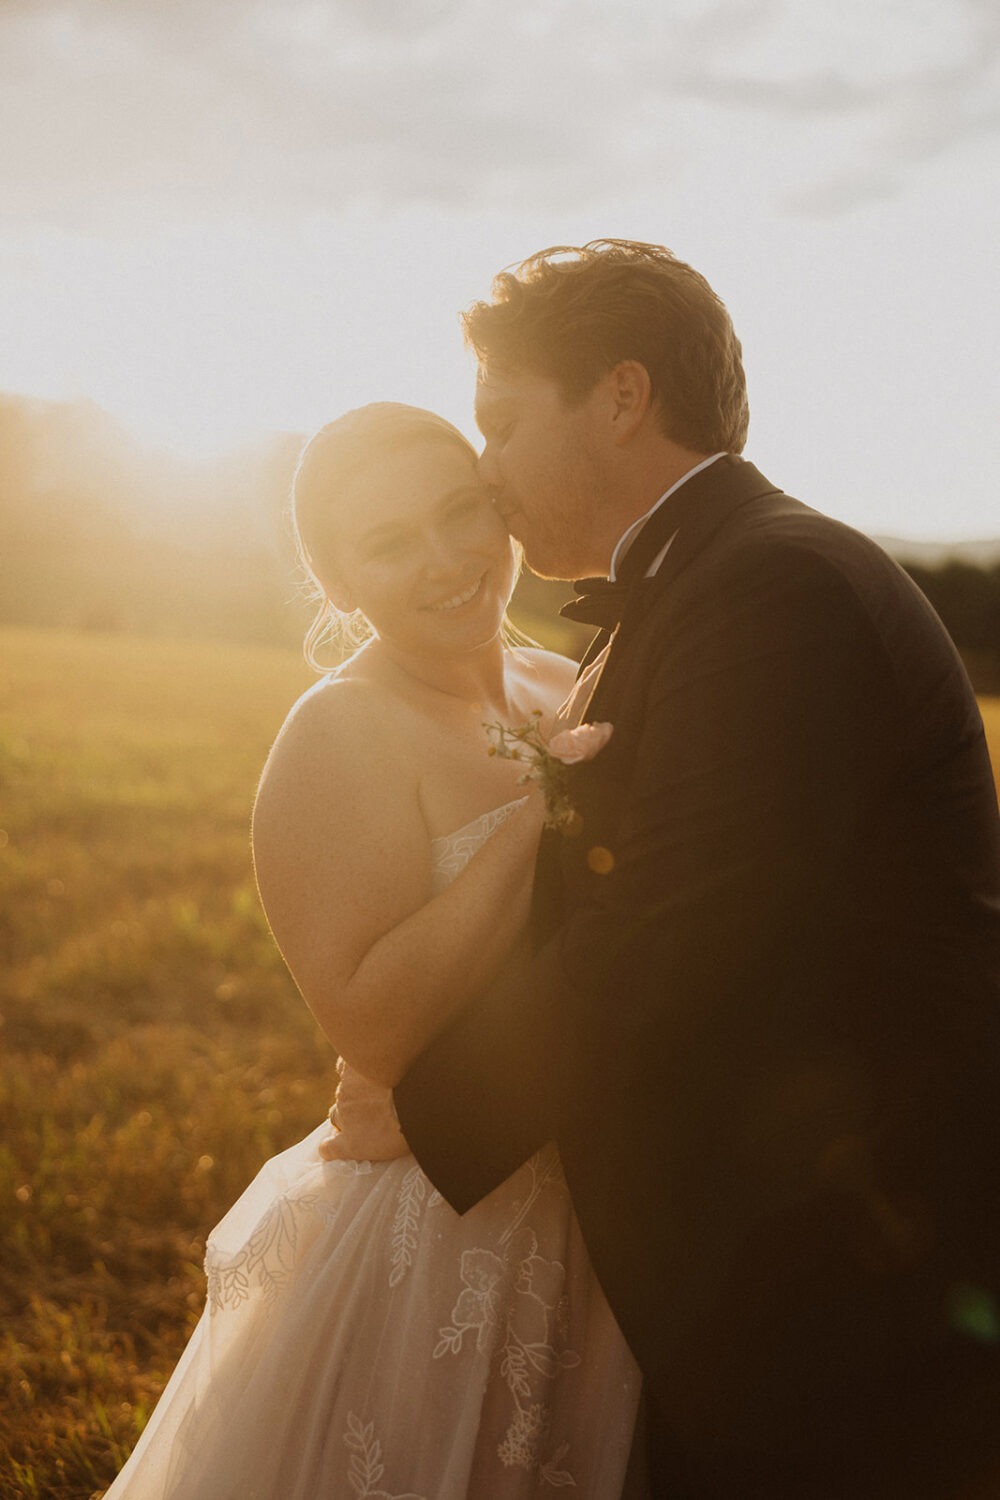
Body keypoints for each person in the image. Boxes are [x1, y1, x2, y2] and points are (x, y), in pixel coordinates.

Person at [340, 241, 1000, 1498]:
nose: (483, 465)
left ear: (623, 396)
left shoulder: (769, 591)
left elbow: (673, 946)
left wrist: (423, 1112)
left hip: (852, 1293)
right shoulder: (709, 584)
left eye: (499, 420)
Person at [102, 403, 640, 1500]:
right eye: (389, 544)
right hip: (436, 1223)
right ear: (337, 581)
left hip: (592, 1193)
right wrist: (544, 808)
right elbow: (373, 1025)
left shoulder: (562, 686)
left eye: (460, 516)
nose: (445, 561)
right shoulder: (341, 731)